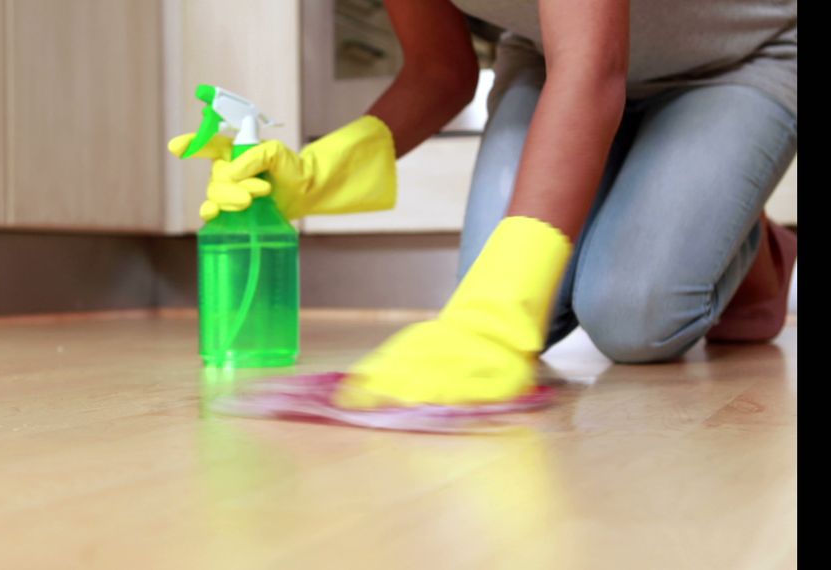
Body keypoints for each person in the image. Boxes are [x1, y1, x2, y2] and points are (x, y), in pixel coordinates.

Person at [169, 0, 797, 408]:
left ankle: (757, 243)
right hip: (554, 55)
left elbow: (595, 71)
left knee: (632, 318)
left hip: (740, 58)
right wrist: (313, 175)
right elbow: (440, 71)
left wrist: (492, 320)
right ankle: (677, 192)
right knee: (518, 300)